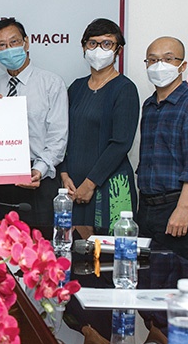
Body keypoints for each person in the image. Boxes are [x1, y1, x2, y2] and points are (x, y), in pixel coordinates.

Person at [0, 17, 68, 225]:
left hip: (38, 179)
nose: (9, 49)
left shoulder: (51, 83)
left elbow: (58, 137)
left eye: (14, 42)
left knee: (40, 242)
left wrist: (38, 170)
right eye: (2, 45)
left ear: (26, 43)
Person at [136, 37, 188, 264]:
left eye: (168, 59)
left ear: (182, 65)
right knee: (145, 278)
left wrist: (183, 209)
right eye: (153, 60)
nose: (159, 65)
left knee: (176, 279)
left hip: (177, 207)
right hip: (147, 208)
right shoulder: (149, 105)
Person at [60, 18, 139, 231]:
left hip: (109, 188)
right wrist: (64, 174)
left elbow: (121, 143)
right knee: (71, 247)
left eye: (107, 44)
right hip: (73, 187)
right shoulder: (76, 88)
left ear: (118, 50)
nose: (98, 50)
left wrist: (90, 184)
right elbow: (62, 134)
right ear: (84, 47)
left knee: (110, 250)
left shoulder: (125, 89)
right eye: (92, 43)